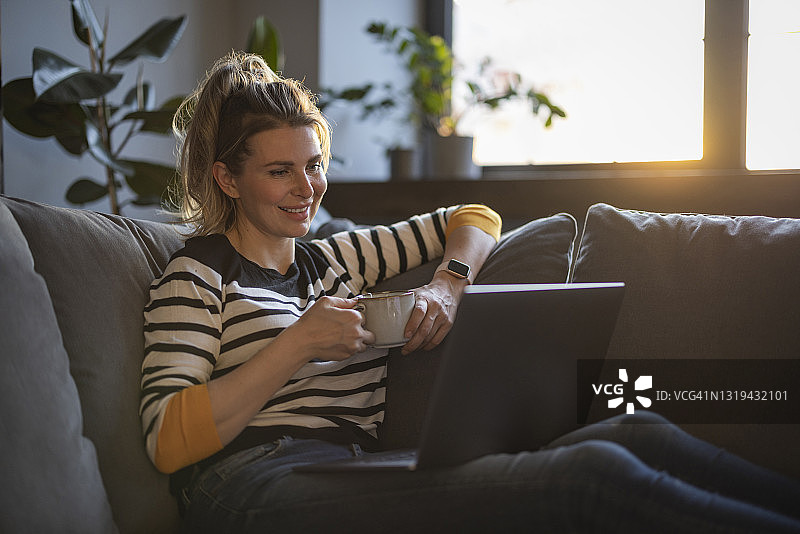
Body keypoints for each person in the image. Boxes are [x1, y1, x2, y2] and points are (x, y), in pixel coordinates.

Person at [140, 52, 800, 533]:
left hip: (347, 467)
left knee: (636, 432)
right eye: (280, 172)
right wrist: (296, 345)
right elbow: (168, 440)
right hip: (249, 485)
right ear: (228, 180)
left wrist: (449, 287)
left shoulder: (338, 257)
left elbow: (475, 217)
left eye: (314, 165)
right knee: (592, 480)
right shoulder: (197, 277)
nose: (306, 188)